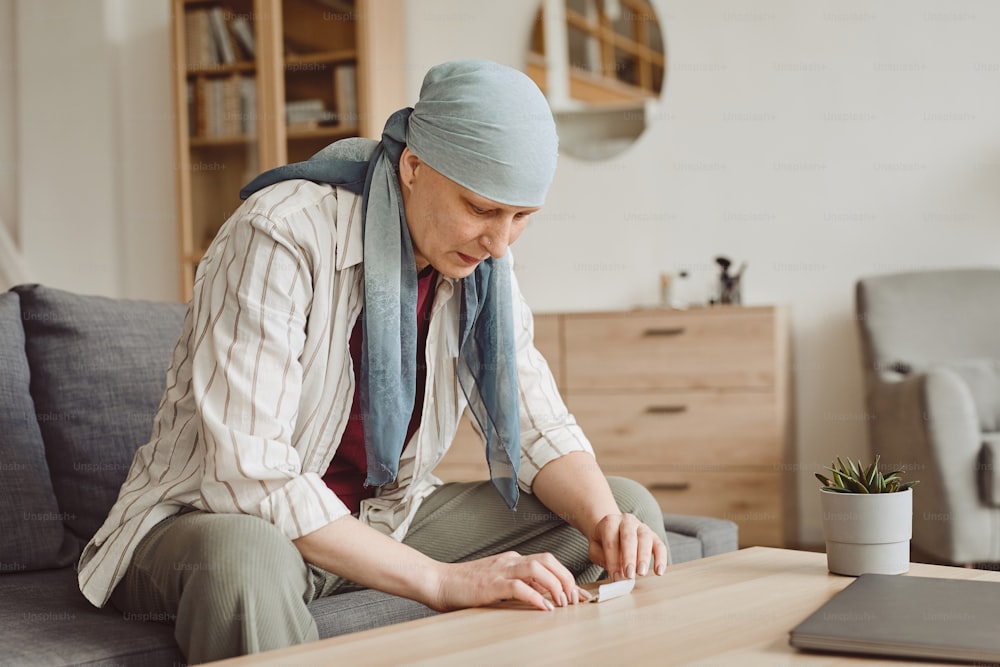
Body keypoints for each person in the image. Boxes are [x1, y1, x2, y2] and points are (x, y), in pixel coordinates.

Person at [78, 59, 669, 663]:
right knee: (248, 559)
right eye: (482, 208)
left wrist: (604, 521)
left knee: (622, 512)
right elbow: (250, 478)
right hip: (214, 523)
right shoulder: (279, 233)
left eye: (520, 218)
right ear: (412, 166)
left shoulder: (480, 261)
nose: (500, 243)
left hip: (381, 517)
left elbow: (537, 421)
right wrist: (441, 581)